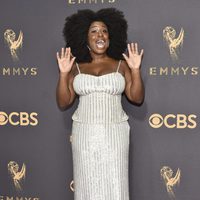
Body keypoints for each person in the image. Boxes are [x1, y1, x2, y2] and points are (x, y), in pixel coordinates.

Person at [56, 8, 144, 200]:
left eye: (104, 30)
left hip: (115, 134)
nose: (100, 35)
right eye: (93, 31)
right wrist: (63, 74)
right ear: (85, 38)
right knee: (87, 183)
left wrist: (135, 70)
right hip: (84, 135)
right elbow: (64, 102)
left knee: (115, 183)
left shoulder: (122, 65)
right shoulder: (76, 67)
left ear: (111, 36)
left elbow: (136, 98)